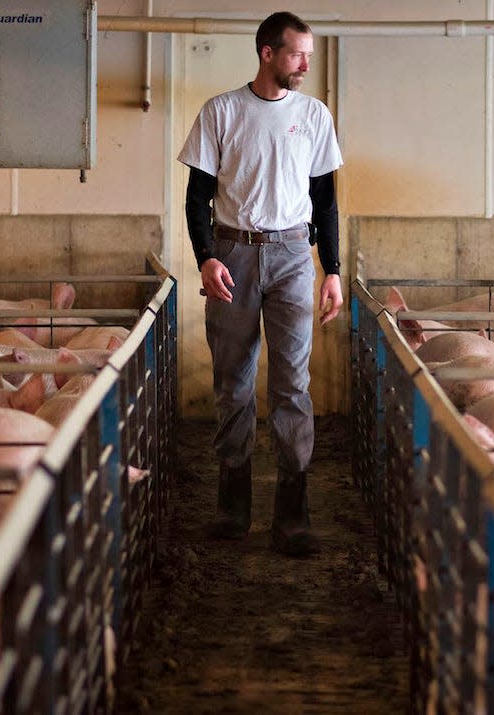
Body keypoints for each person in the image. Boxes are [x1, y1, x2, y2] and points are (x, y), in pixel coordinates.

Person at [177, 11, 343, 557]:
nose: (305, 64)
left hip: (294, 253)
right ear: (267, 53)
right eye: (298, 54)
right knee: (233, 380)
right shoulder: (222, 112)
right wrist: (205, 258)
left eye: (309, 56)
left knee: (293, 383)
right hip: (232, 252)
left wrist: (333, 269)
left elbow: (326, 201)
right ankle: (233, 508)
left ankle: (292, 514)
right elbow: (196, 196)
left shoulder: (314, 116)